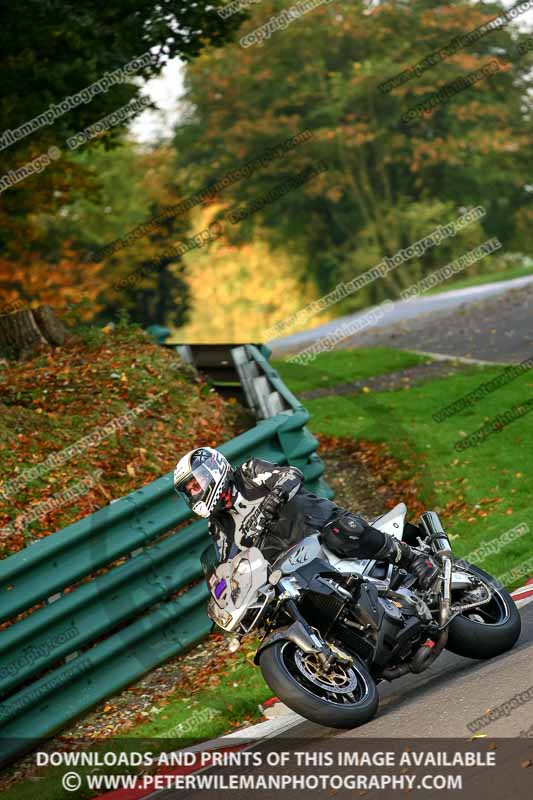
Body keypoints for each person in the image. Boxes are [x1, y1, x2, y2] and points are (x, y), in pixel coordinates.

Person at [173, 446, 438, 590]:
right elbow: (227, 561)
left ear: (213, 470)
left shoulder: (248, 473)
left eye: (195, 485)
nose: (194, 494)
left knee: (340, 532)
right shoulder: (218, 525)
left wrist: (274, 498)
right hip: (292, 564)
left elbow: (291, 475)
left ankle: (414, 558)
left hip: (320, 528)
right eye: (189, 492)